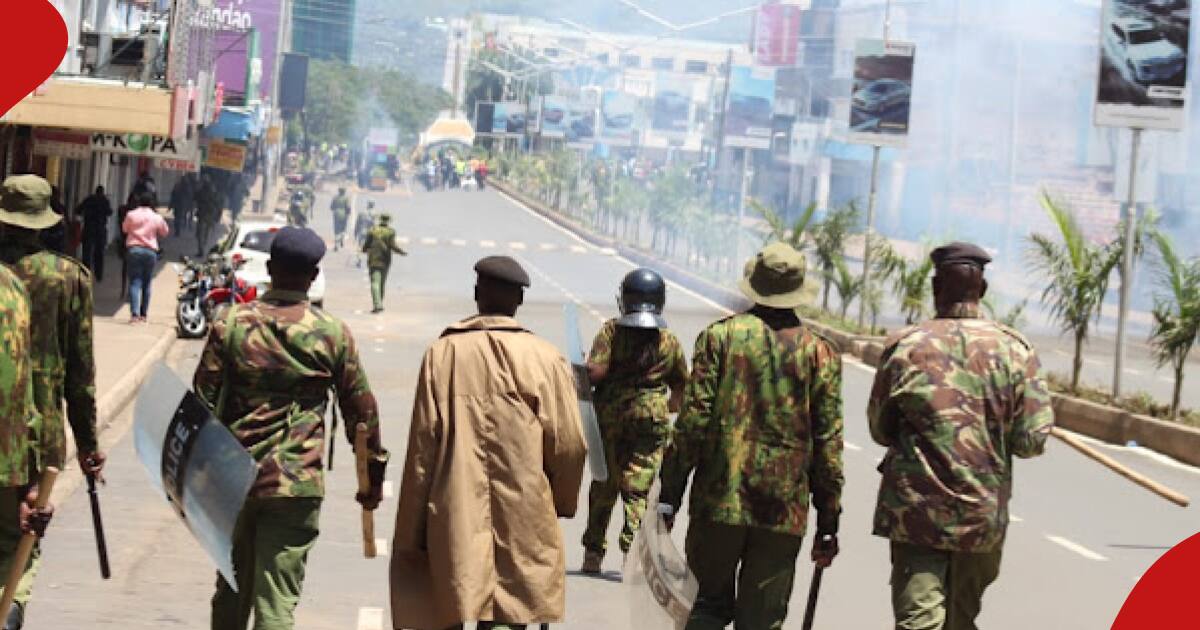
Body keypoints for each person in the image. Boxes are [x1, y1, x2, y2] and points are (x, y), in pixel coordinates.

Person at [193, 226, 389, 630]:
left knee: (230, 593)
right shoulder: (332, 334)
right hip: (296, 484)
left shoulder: (229, 323)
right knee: (276, 602)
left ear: (269, 268)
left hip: (233, 482)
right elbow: (362, 417)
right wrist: (372, 480)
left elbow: (201, 405)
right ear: (313, 276)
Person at [390, 256, 587, 630]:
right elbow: (571, 446)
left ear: (477, 294)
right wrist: (559, 502)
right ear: (520, 301)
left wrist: (413, 531)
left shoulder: (442, 354)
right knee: (511, 610)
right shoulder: (545, 358)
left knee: (454, 599)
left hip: (453, 510)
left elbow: (422, 449)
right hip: (527, 511)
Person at [869, 242, 1055, 630]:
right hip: (979, 517)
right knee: (961, 620)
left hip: (917, 513)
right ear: (982, 292)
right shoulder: (1015, 351)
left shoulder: (906, 346)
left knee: (918, 623)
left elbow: (880, 429)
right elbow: (1031, 442)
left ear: (936, 287)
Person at [660, 242, 844, 630]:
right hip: (782, 512)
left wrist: (669, 494)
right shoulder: (821, 354)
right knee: (762, 622)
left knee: (703, 609)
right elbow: (828, 444)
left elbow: (692, 424)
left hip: (718, 503)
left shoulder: (720, 338)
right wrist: (828, 518)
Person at [0, 175, 105, 628]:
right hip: (36, 437)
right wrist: (87, 443)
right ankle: (12, 608)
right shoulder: (69, 278)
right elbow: (80, 376)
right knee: (21, 541)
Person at [580, 268, 688, 574]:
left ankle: (593, 553)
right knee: (638, 489)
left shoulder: (612, 331)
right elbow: (681, 385)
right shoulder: (668, 341)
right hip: (650, 422)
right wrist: (665, 407)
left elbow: (596, 373)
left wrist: (582, 369)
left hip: (611, 419)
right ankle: (632, 554)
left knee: (604, 484)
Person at [0, 263, 54, 630]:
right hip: (8, 457)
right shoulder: (12, 289)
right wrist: (31, 481)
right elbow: (25, 393)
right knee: (15, 554)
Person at [121, 190, 170, 323]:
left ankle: (134, 314)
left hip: (134, 250)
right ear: (152, 203)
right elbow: (165, 232)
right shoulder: (156, 217)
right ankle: (144, 314)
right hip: (150, 252)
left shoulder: (131, 214)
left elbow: (125, 229)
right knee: (147, 283)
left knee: (135, 282)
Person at [360, 213, 407, 314]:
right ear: (388, 221)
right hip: (385, 260)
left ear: (380, 220)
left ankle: (377, 305)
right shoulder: (391, 232)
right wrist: (401, 252)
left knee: (374, 282)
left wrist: (364, 250)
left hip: (373, 259)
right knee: (382, 283)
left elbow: (366, 245)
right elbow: (393, 246)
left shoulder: (372, 230)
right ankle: (379, 304)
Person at [78, 186, 113, 282]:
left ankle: (85, 273)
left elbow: (78, 210)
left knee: (87, 253)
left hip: (89, 228)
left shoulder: (89, 199)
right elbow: (110, 212)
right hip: (100, 230)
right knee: (99, 254)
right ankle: (98, 275)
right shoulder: (104, 200)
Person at [195, 176, 221, 257]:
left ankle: (201, 250)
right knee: (206, 233)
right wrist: (217, 217)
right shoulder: (214, 192)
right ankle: (204, 249)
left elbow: (195, 198)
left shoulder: (201, 191)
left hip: (203, 215)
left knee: (200, 234)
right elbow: (218, 206)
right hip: (209, 215)